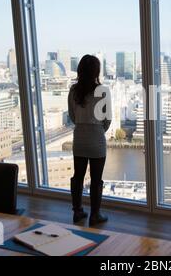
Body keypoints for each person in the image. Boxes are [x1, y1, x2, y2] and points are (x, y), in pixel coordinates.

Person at [68, 55, 111, 226]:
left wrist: (82, 124)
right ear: (96, 71)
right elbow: (108, 119)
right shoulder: (103, 91)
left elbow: (72, 115)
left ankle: (77, 212)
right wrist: (99, 129)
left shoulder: (73, 91)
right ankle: (95, 215)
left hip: (79, 137)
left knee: (77, 177)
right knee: (96, 179)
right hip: (96, 139)